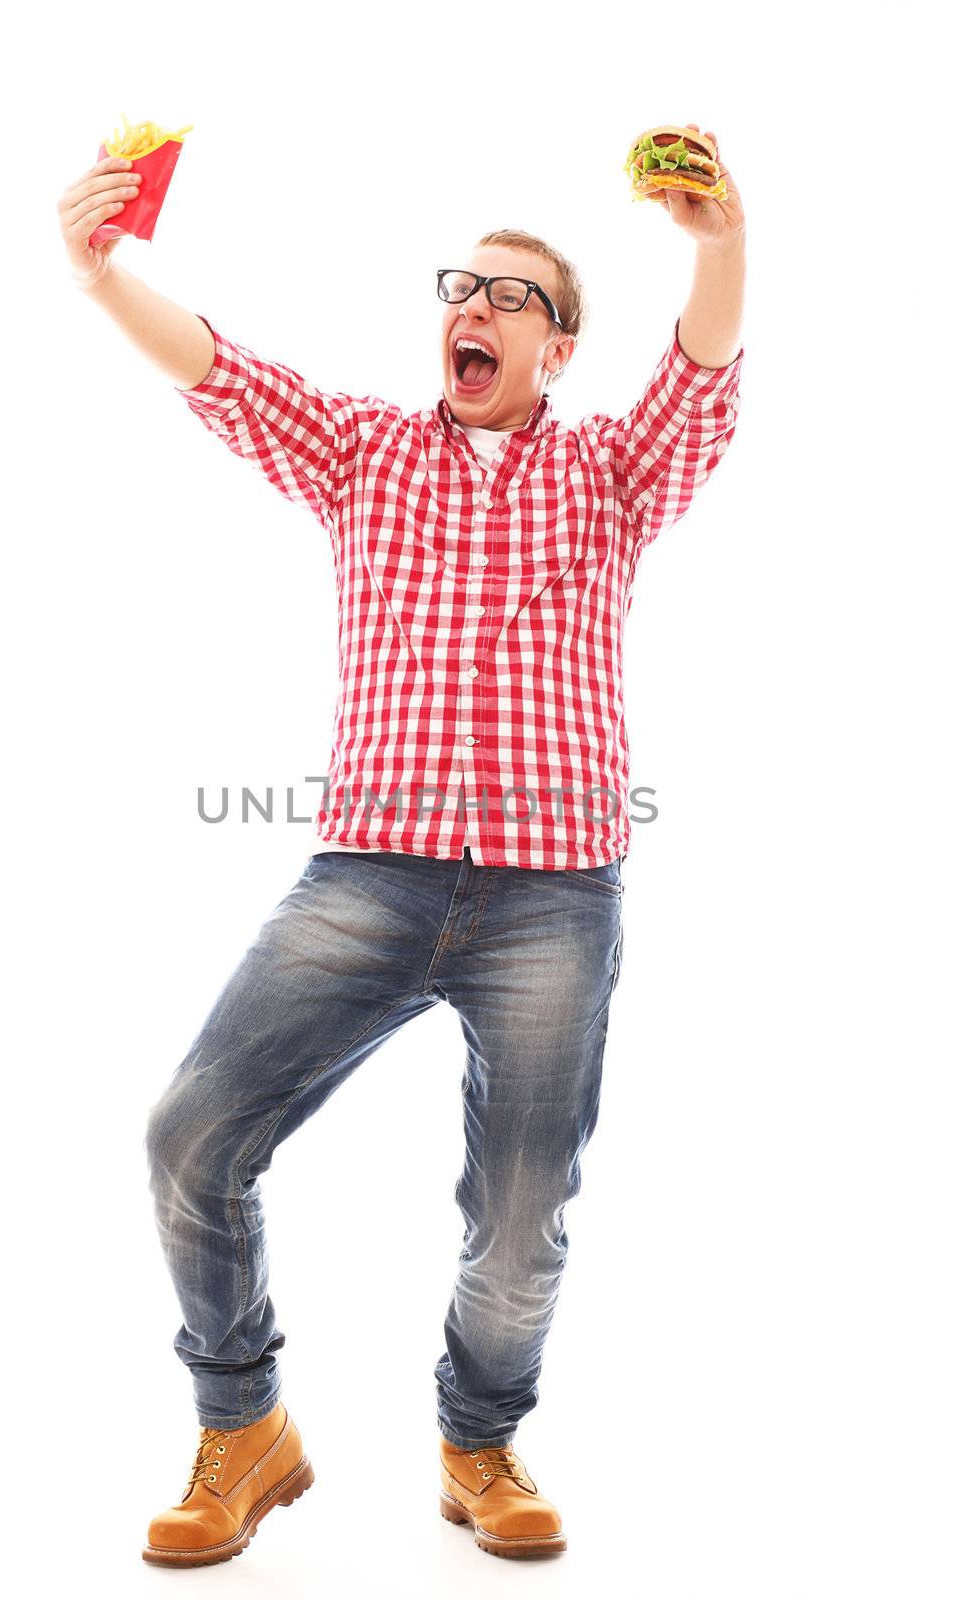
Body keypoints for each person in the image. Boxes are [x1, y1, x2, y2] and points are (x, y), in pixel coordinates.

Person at [57, 124, 746, 1567]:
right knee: (190, 1133)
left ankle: (479, 1446)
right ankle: (242, 1425)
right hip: (367, 877)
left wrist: (717, 242)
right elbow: (219, 373)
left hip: (555, 896)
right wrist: (98, 268)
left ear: (558, 349)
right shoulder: (366, 451)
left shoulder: (613, 477)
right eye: (462, 289)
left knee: (520, 1214)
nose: (474, 311)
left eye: (511, 299)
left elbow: (699, 378)